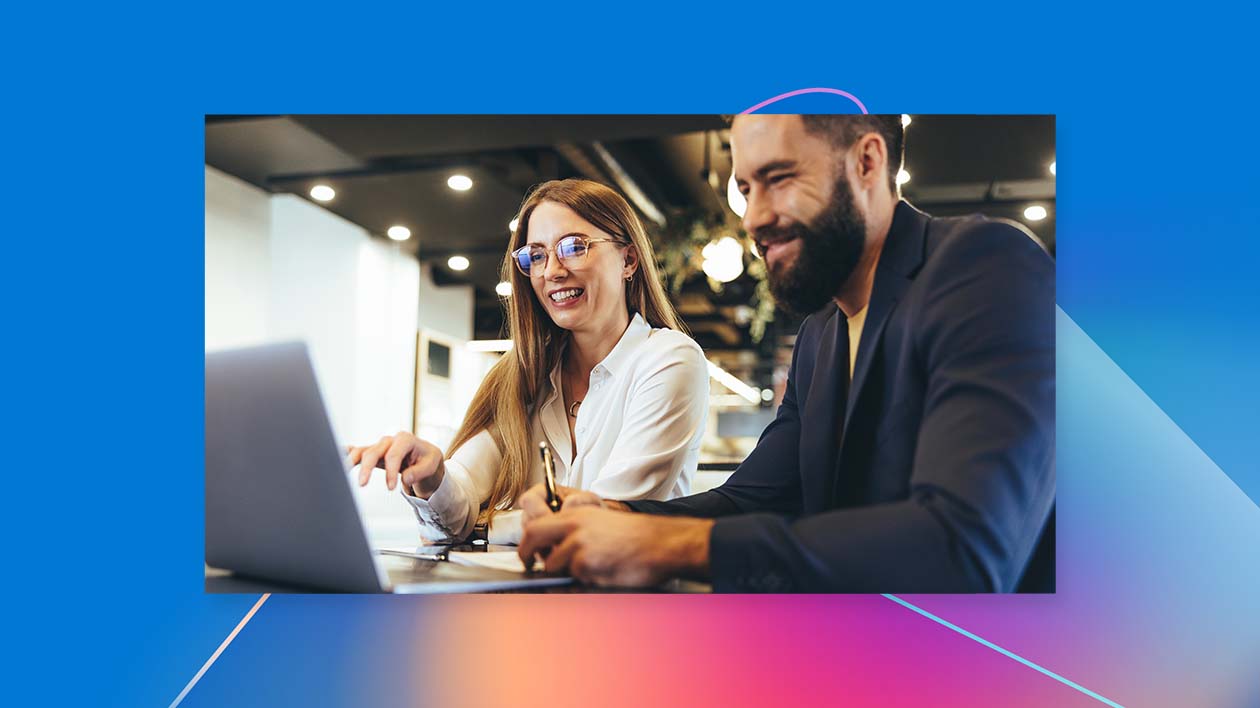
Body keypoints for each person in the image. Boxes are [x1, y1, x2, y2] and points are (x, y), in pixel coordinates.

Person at [517, 114, 1056, 592]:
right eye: (746, 189)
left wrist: (669, 547)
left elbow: (961, 548)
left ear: (867, 161)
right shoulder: (822, 331)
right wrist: (612, 512)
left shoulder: (984, 266)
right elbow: (753, 497)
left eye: (778, 179)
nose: (753, 217)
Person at [350, 179, 709, 544]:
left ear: (628, 260)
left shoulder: (670, 360)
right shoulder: (525, 376)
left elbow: (604, 520)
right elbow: (459, 498)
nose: (552, 270)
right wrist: (433, 476)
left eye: (573, 247)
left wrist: (485, 526)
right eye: (536, 255)